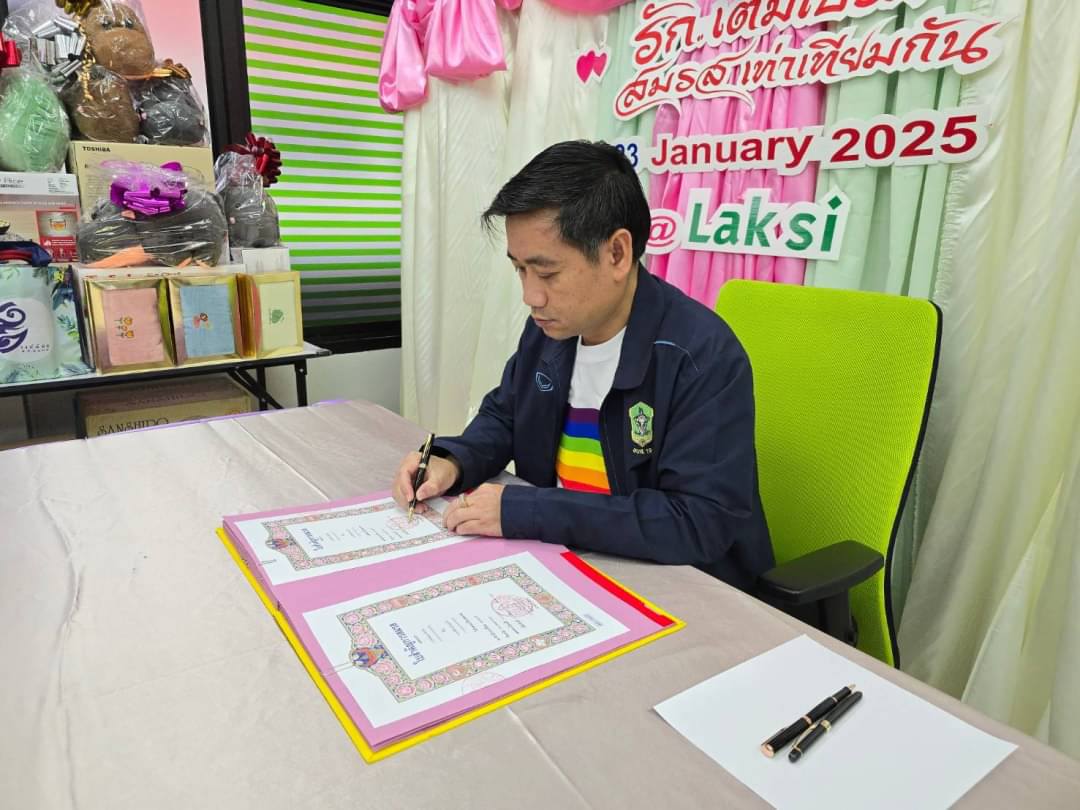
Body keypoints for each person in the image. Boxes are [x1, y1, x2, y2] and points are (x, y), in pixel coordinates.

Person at [392, 140, 773, 592]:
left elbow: (696, 522)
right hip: (568, 567)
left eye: (547, 273)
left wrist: (528, 509)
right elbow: (505, 415)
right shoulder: (551, 330)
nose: (531, 296)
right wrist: (452, 461)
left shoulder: (700, 356)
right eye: (519, 270)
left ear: (617, 254)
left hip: (680, 588)